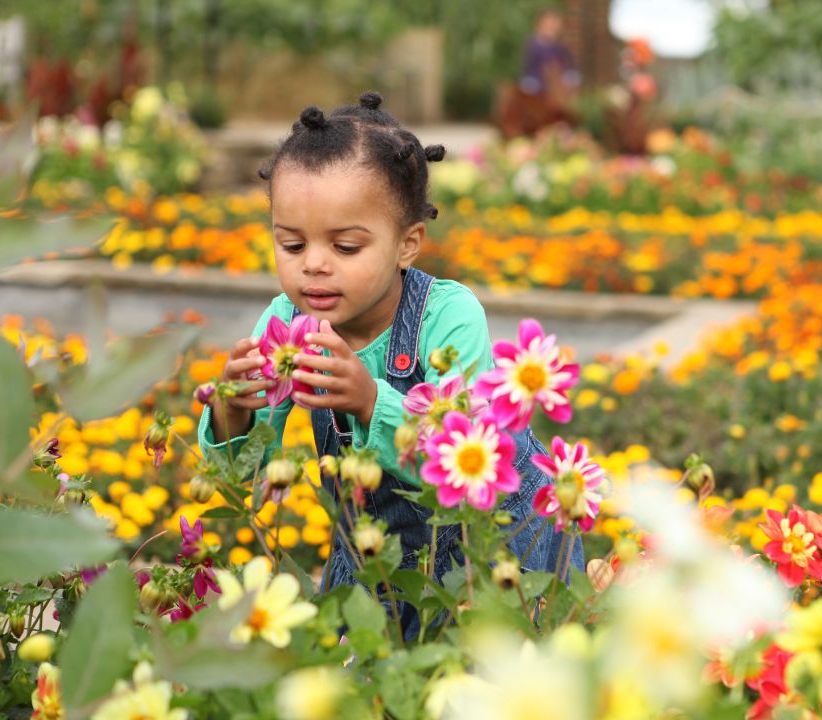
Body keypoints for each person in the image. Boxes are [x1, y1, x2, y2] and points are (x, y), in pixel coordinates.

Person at [197, 92, 581, 637]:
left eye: (346, 247)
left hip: (490, 554)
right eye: (291, 243)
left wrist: (371, 401)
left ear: (407, 245)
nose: (313, 265)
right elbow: (246, 486)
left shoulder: (447, 316)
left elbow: (475, 450)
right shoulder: (283, 325)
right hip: (371, 554)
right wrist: (231, 415)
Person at [496, 9, 581, 139]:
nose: (554, 26)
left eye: (556, 23)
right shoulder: (533, 44)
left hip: (556, 88)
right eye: (550, 22)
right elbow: (527, 69)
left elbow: (568, 67)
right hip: (537, 86)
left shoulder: (559, 47)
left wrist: (569, 78)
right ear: (541, 23)